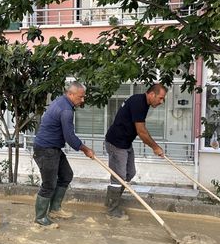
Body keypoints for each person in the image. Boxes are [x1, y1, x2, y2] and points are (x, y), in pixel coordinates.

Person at [33, 81, 94, 228]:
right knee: (49, 184)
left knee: (66, 175)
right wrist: (86, 149)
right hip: (46, 150)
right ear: (71, 94)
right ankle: (40, 218)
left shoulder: (61, 101)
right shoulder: (66, 110)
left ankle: (54, 209)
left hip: (53, 149)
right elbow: (69, 137)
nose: (83, 100)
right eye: (81, 97)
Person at [104, 84, 167, 220]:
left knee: (129, 173)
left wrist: (155, 147)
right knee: (119, 177)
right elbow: (141, 131)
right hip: (116, 143)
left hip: (125, 143)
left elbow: (140, 129)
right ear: (152, 94)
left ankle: (110, 201)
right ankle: (112, 210)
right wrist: (156, 148)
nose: (161, 102)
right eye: (161, 98)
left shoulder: (143, 103)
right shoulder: (139, 103)